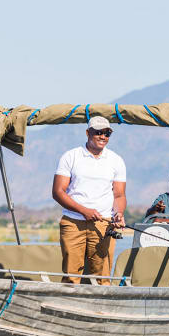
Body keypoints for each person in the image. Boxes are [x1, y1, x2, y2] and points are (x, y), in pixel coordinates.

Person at [52, 116, 126, 285]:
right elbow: (58, 192)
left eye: (107, 133)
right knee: (71, 276)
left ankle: (101, 309)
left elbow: (119, 195)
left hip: (103, 224)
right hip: (73, 222)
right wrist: (83, 211)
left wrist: (119, 213)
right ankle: (69, 307)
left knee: (102, 276)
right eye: (98, 132)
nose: (103, 137)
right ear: (88, 133)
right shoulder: (71, 156)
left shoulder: (116, 160)